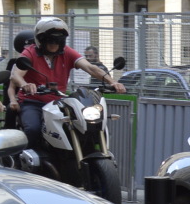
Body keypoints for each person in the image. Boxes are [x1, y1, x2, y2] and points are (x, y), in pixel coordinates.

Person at [10, 17, 125, 149]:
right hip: (33, 102)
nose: (54, 44)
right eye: (50, 40)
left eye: (58, 41)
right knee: (33, 129)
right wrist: (25, 84)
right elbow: (16, 75)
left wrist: (113, 82)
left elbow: (90, 68)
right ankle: (26, 162)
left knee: (82, 125)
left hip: (57, 104)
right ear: (41, 39)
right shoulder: (30, 52)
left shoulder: (67, 52)